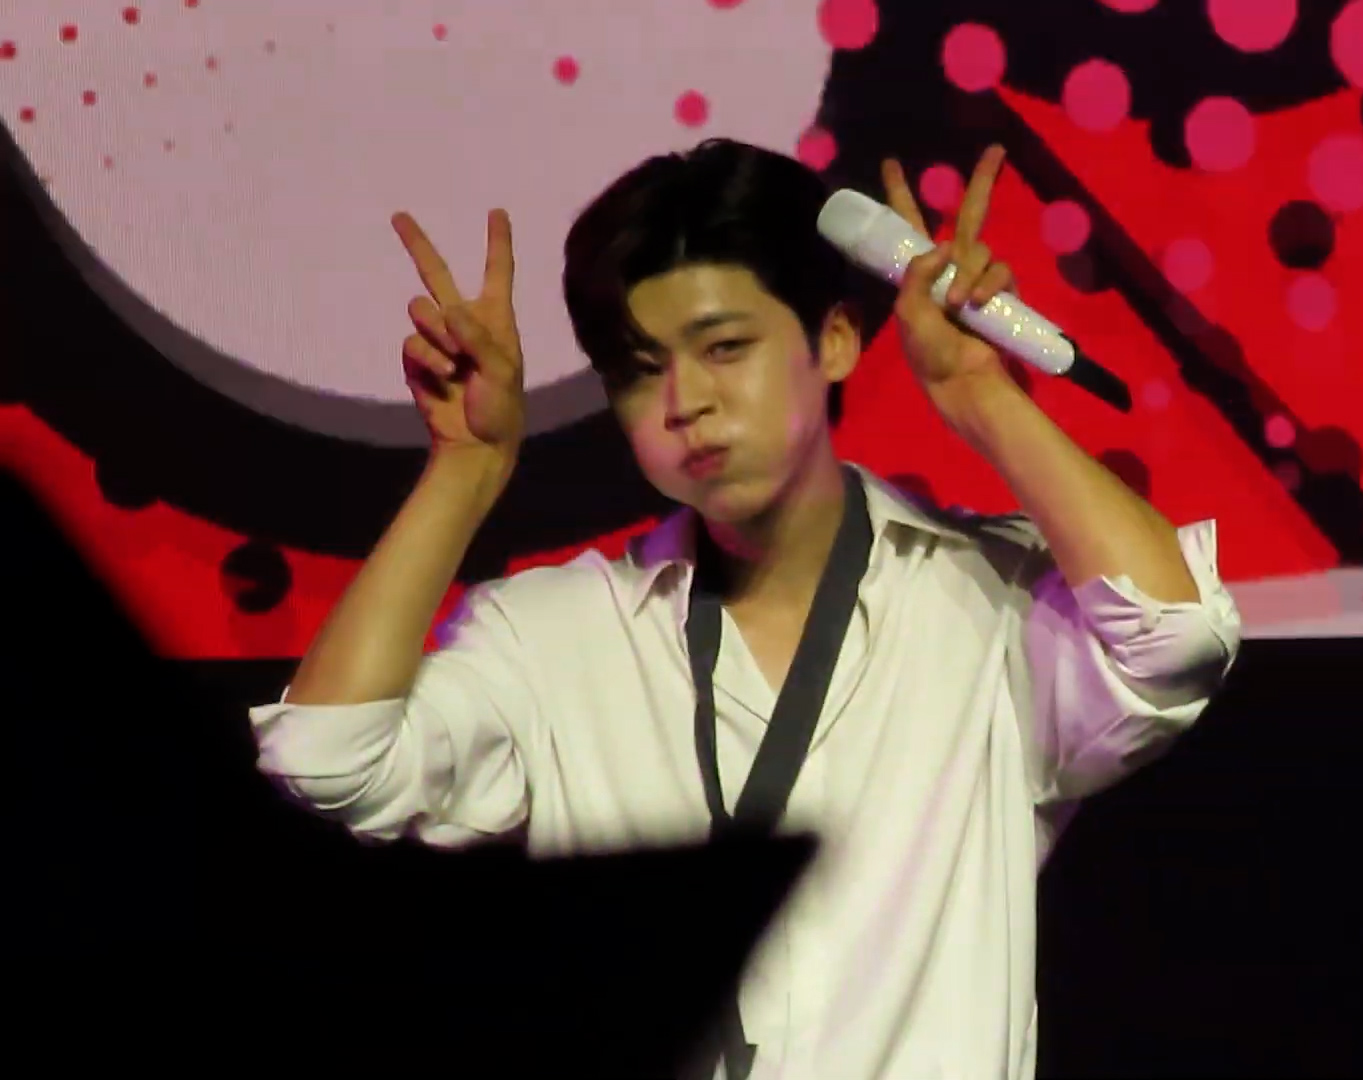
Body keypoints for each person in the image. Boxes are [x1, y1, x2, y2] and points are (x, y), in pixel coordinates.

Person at [249, 138, 1241, 1079]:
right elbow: (326, 762)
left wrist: (981, 393)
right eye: (640, 371)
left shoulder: (992, 602)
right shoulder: (554, 636)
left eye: (724, 347)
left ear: (835, 339)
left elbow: (1177, 640)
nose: (685, 400)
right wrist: (467, 469)